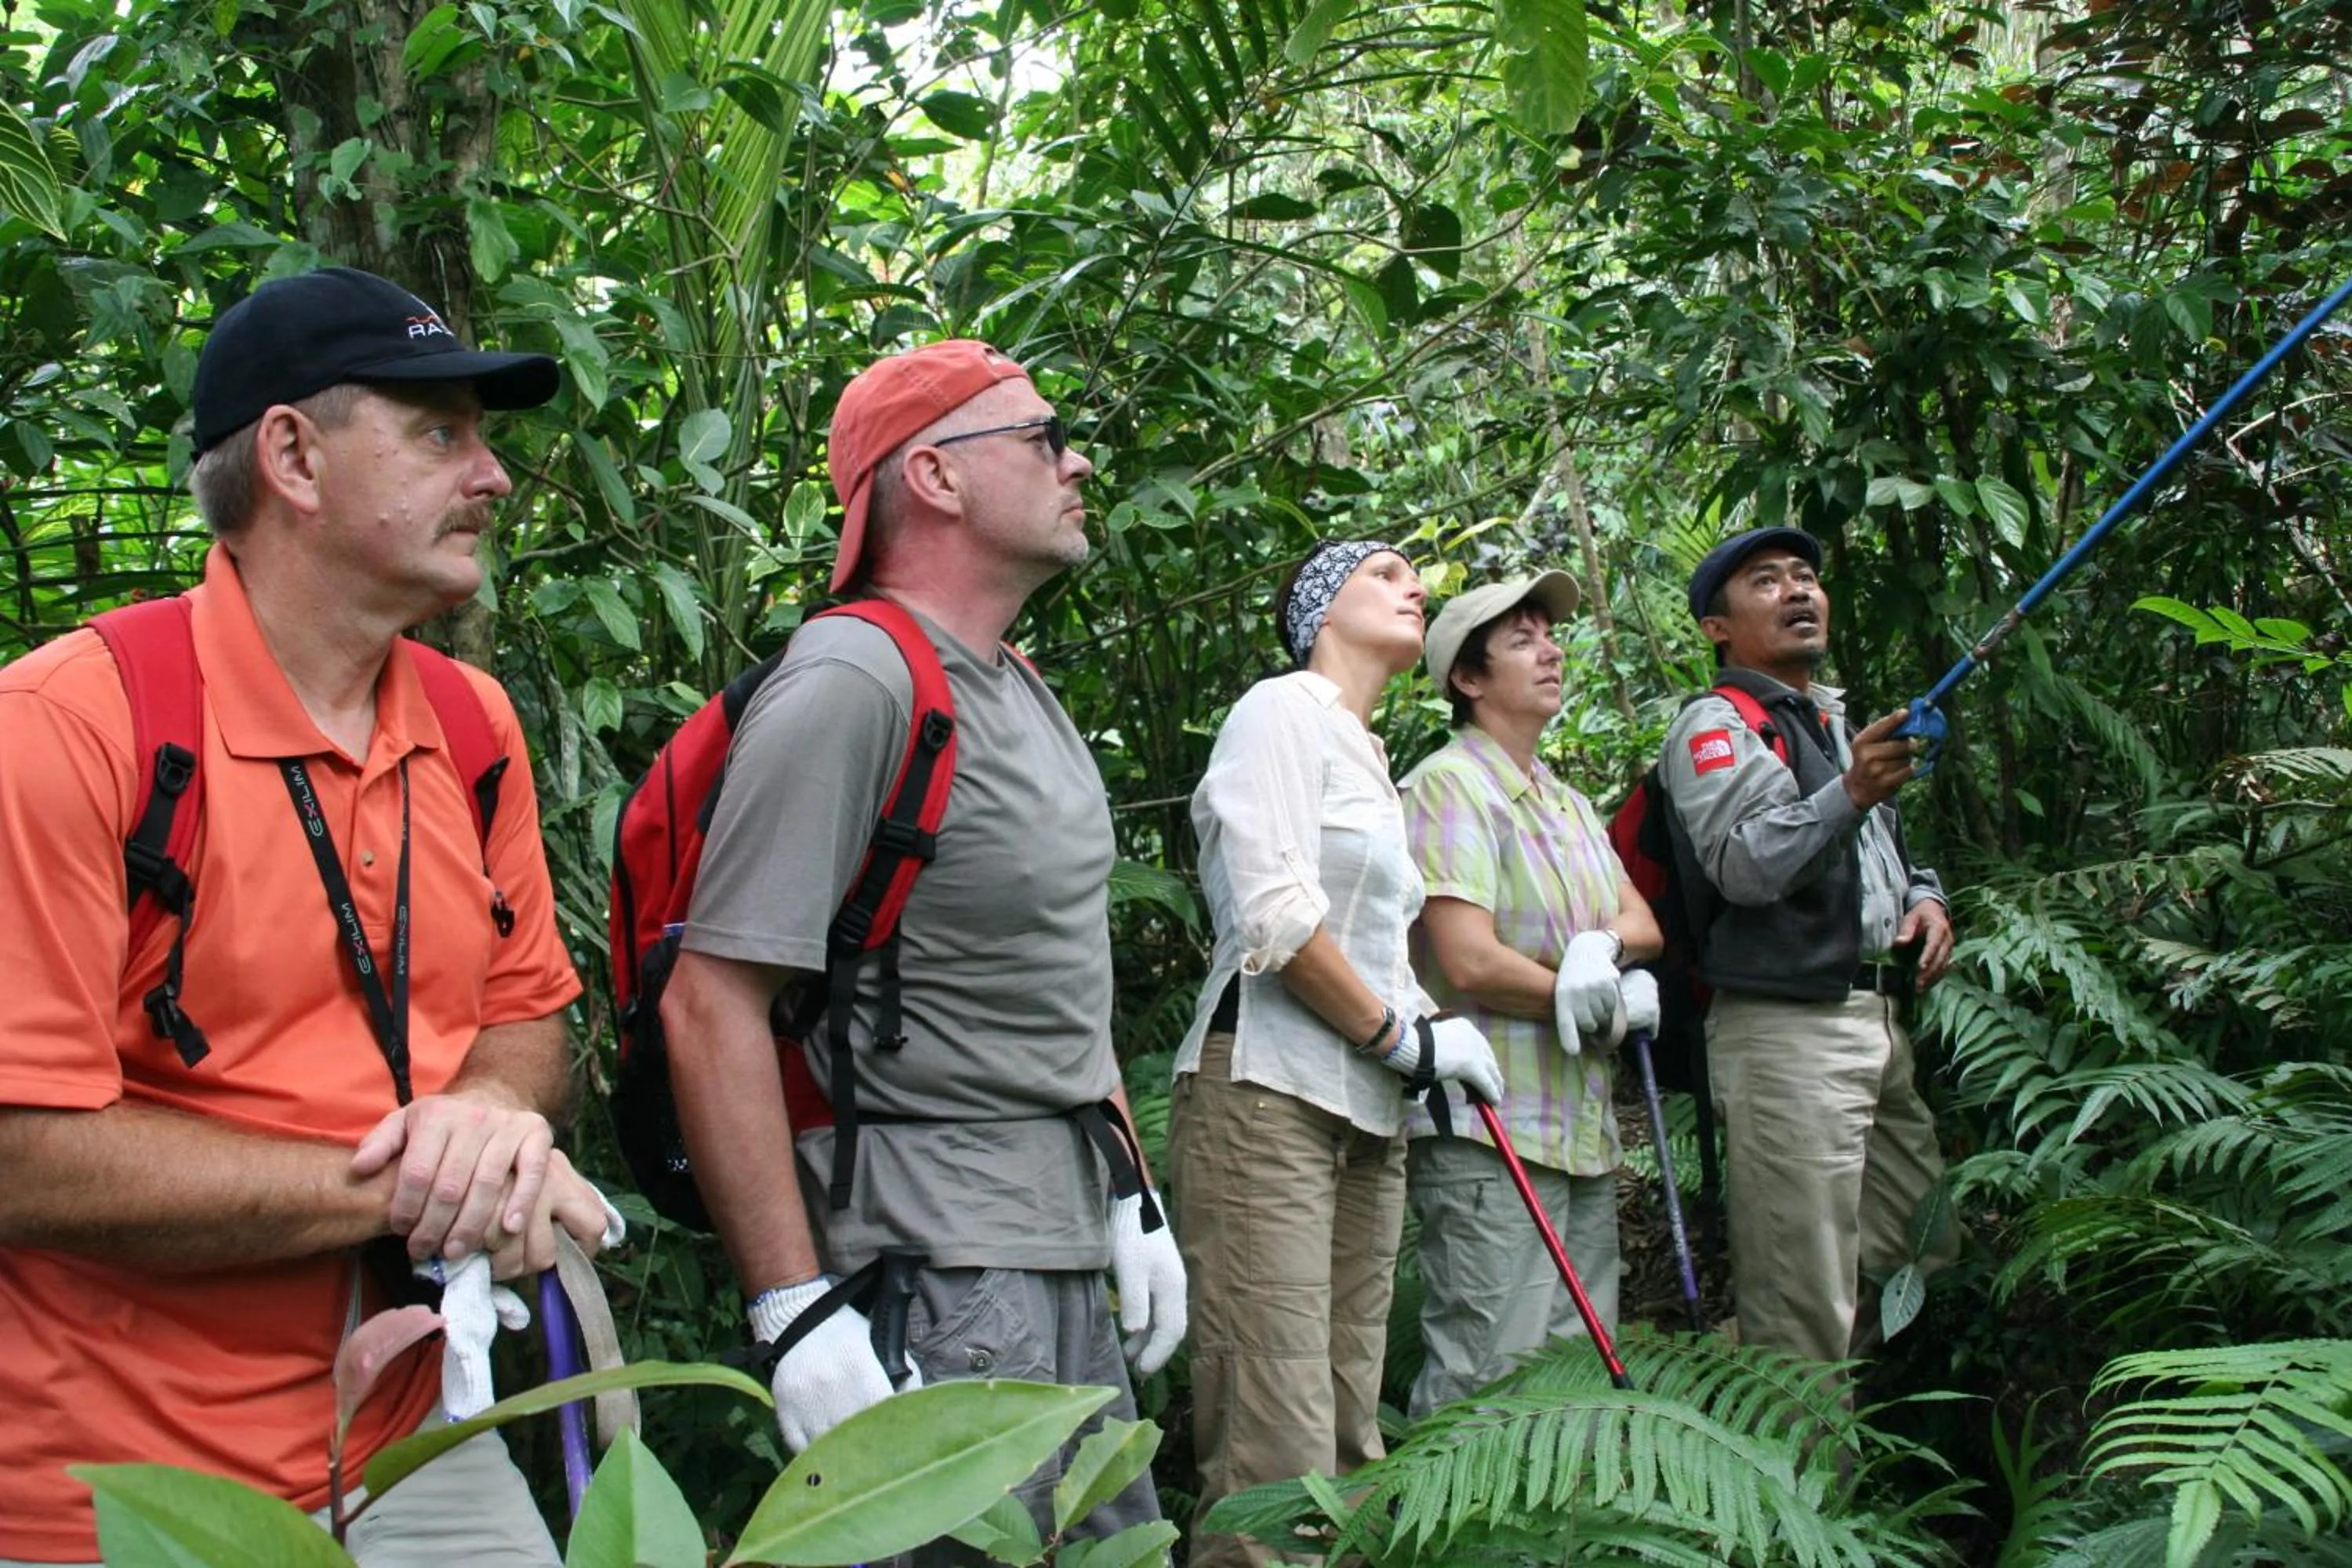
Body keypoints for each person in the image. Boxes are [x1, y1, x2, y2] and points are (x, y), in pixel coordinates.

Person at [0, 266, 613, 1567]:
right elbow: (19, 1153)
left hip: (410, 1440)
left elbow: (524, 1014)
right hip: (111, 1487)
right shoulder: (70, 729)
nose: (493, 475)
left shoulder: (469, 722)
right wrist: (412, 1187)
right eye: (439, 432)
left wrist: (497, 1119)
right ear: (292, 455)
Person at [655, 341, 1179, 1558]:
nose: (1077, 458)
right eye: (1044, 437)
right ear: (936, 477)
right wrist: (791, 1305)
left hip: (1049, 1240)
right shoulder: (853, 678)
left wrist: (1132, 1196)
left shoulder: (1016, 684)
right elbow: (712, 1004)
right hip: (934, 1262)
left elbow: (1056, 976)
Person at [1170, 539, 1507, 1568]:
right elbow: (1274, 915)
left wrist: (1431, 1039)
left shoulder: (1368, 757)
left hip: (1367, 1110)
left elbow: (1373, 941)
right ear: (1322, 611)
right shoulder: (1278, 711)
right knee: (1273, 1441)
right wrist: (1400, 1034)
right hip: (1266, 1091)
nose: (1417, 588)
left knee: (1352, 1428)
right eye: (1385, 573)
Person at [1659, 526, 1956, 1366]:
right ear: (1717, 626)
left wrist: (1926, 898)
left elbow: (1887, 852)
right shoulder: (1717, 726)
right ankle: (1808, 1474)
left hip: (1876, 1015)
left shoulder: (1832, 718)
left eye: (1806, 576)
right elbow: (1745, 864)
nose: (1798, 591)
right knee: (1803, 1293)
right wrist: (1852, 788)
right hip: (1787, 1029)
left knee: (1917, 1241)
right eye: (1766, 581)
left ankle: (1739, 1376)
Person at [1399, 572, 1664, 1414]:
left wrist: (1604, 948)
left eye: (1550, 634)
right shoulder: (1449, 786)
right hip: (1491, 1131)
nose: (1551, 649)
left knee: (1577, 1375)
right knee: (1492, 1374)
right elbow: (1467, 960)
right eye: (1522, 638)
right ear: (1468, 679)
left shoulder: (1567, 800)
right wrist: (1591, 998)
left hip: (1580, 1129)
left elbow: (1643, 921)